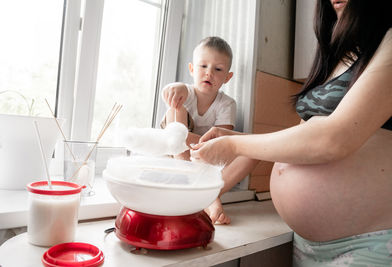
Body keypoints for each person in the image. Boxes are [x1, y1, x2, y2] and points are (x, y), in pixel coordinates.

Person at [190, 0, 392, 266]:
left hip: (369, 242)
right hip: (308, 245)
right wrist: (232, 142)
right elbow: (299, 140)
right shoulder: (337, 55)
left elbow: (334, 139)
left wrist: (234, 146)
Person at [161, 36, 258, 224]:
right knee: (176, 109)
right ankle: (209, 199)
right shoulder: (184, 94)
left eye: (218, 69)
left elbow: (222, 146)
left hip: (207, 164)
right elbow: (173, 134)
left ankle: (203, 193)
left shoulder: (227, 104)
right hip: (177, 158)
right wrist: (175, 88)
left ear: (227, 77)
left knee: (254, 150)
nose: (209, 73)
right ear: (191, 69)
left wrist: (194, 142)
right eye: (203, 66)